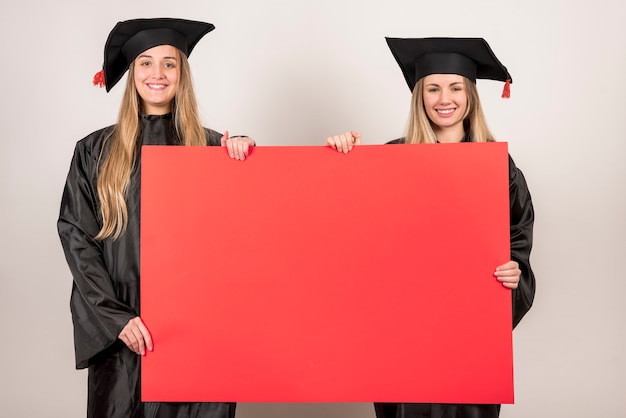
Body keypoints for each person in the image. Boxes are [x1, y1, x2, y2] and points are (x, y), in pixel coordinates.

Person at [326, 37, 535, 418]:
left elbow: (517, 244)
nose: (445, 98)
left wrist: (512, 272)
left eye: (456, 87)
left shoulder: (498, 167)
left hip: (469, 339)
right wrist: (345, 161)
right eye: (433, 88)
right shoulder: (389, 161)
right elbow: (350, 234)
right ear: (419, 96)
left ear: (470, 95)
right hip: (403, 340)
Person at [57, 18, 254, 418]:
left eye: (169, 63)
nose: (157, 74)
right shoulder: (95, 151)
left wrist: (246, 161)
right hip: (126, 327)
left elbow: (246, 237)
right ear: (132, 75)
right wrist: (116, 318)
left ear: (182, 74)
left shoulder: (214, 148)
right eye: (146, 63)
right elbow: (78, 238)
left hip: (199, 328)